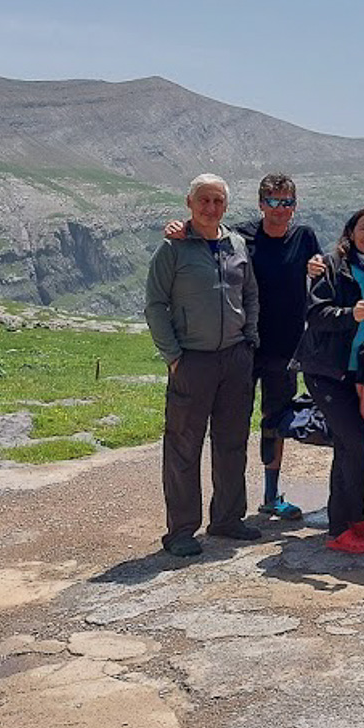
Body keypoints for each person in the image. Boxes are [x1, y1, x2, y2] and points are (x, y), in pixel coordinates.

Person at [162, 174, 322, 522]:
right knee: (231, 427)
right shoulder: (241, 235)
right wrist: (180, 228)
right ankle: (220, 510)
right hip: (243, 346)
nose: (280, 209)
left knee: (275, 421)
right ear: (261, 203)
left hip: (285, 347)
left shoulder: (305, 237)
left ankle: (270, 496)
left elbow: (324, 270)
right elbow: (208, 237)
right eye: (273, 201)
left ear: (295, 205)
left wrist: (318, 267)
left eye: (287, 202)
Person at [144, 174, 261, 557]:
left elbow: (250, 293)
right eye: (204, 200)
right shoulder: (173, 248)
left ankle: (227, 519)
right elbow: (155, 305)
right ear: (189, 203)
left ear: (225, 206)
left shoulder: (236, 244)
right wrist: (173, 356)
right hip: (192, 361)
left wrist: (249, 338)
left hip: (235, 359)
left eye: (218, 201)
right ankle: (180, 531)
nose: (211, 208)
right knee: (183, 446)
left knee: (232, 442)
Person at [294, 208, 364, 554]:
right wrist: (353, 314)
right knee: (356, 442)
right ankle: (348, 522)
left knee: (347, 445)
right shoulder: (332, 265)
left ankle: (343, 525)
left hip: (357, 373)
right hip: (326, 371)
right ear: (351, 232)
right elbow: (316, 314)